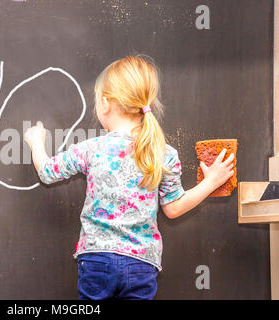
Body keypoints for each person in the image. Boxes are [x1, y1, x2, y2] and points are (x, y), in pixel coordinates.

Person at [23, 55, 234, 300]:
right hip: (141, 263)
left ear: (105, 104)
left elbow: (48, 172)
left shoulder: (92, 148)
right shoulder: (163, 153)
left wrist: (36, 142)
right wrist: (210, 183)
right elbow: (174, 208)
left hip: (96, 258)